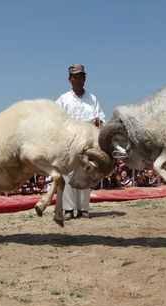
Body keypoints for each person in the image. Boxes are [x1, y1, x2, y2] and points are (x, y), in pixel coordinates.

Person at [55, 64, 105, 220]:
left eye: (82, 76)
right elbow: (55, 119)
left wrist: (99, 122)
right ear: (70, 79)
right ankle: (69, 209)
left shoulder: (92, 99)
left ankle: (83, 209)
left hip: (88, 143)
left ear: (85, 78)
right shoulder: (63, 99)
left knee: (86, 173)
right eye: (75, 76)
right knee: (68, 175)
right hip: (69, 142)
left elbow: (101, 118)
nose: (79, 79)